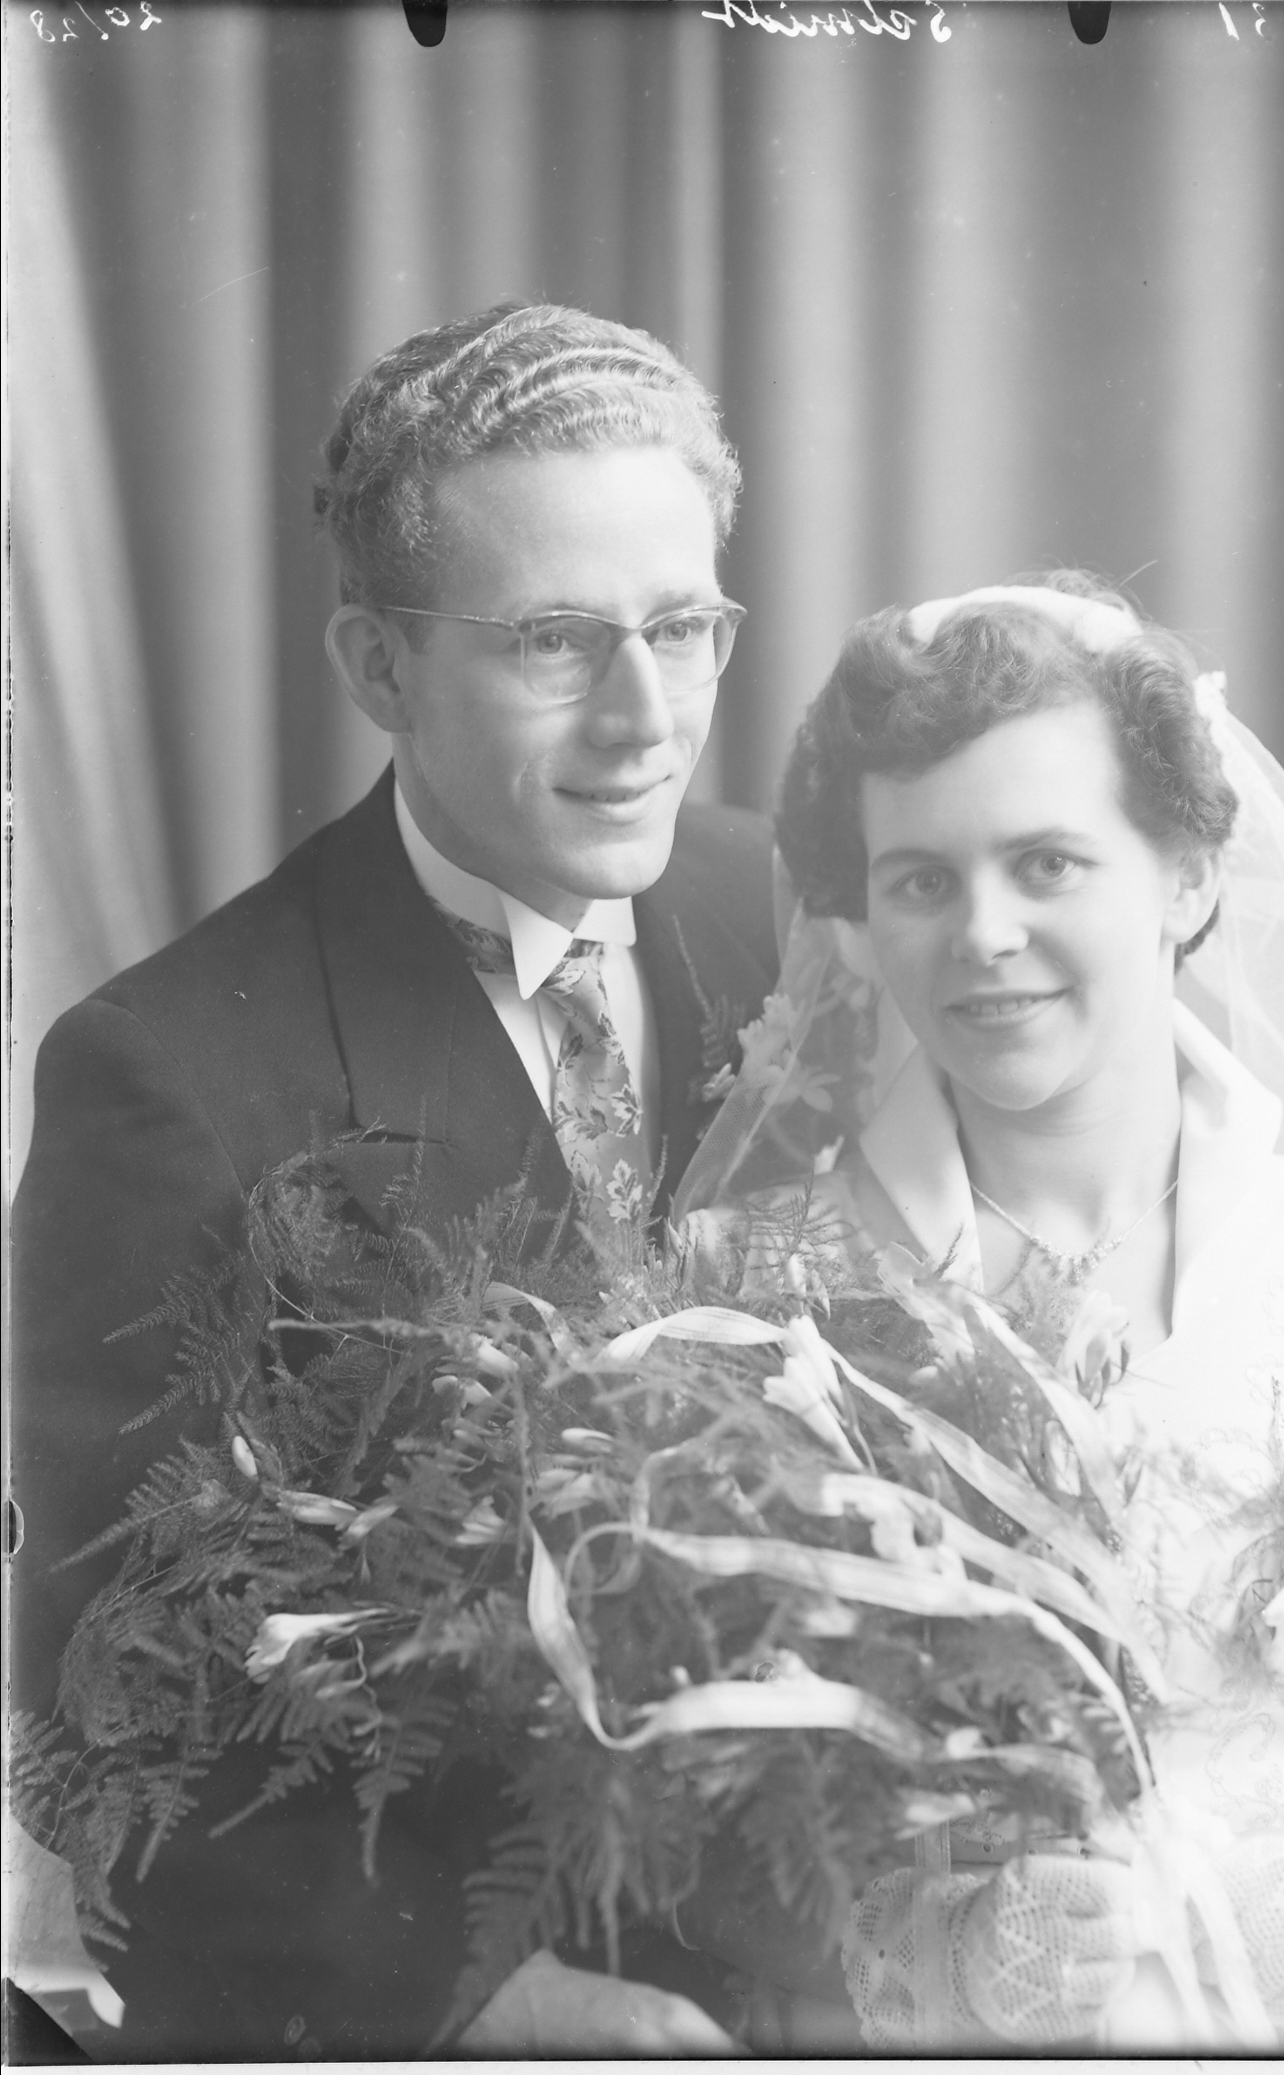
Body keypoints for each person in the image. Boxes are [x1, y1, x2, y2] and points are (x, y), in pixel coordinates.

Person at [9, 301, 780, 2059]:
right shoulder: (167, 1077)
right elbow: (106, 1704)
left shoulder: (789, 914)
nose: (644, 718)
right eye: (556, 642)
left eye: (681, 628)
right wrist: (478, 2004)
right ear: (377, 667)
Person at [673, 575, 1284, 2051]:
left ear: (1187, 878)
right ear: (859, 918)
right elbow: (679, 1820)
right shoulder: (747, 1286)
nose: (984, 933)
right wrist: (943, 1950)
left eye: (1047, 863)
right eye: (920, 880)